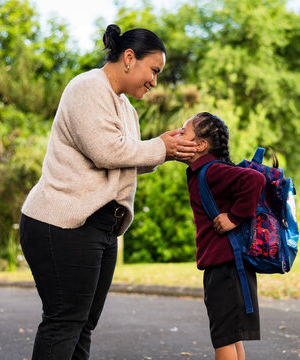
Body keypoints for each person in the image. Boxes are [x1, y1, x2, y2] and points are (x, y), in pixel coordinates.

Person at [19, 24, 197, 360]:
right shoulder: (87, 87)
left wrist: (167, 150)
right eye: (154, 71)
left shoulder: (126, 109)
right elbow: (107, 152)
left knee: (82, 324)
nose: (154, 82)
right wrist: (160, 147)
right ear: (129, 57)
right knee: (65, 321)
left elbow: (125, 160)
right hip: (63, 225)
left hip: (101, 228)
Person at [176, 112, 266, 360]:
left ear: (201, 145)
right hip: (229, 267)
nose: (177, 134)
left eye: (183, 132)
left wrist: (235, 217)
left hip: (226, 268)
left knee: (223, 339)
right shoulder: (206, 170)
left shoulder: (212, 170)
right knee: (231, 337)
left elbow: (255, 179)